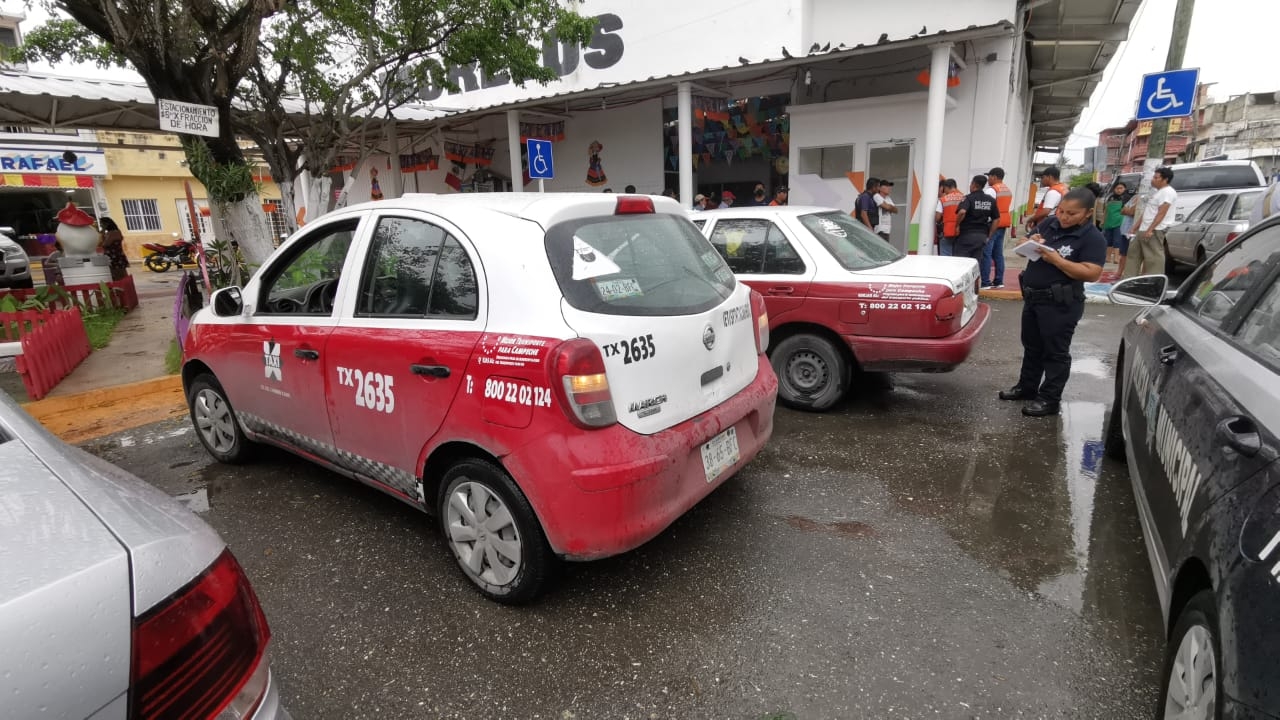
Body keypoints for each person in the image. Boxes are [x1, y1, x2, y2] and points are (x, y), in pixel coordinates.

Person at [999, 187, 1106, 417]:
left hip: (1060, 303)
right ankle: (1027, 387)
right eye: (1062, 211)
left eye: (1072, 214)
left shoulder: (1092, 238)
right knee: (1032, 347)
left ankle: (1049, 399)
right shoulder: (1049, 223)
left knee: (1055, 352)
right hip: (1033, 299)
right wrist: (1030, 241)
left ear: (1087, 213)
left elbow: (1091, 273)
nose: (1065, 217)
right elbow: (1021, 251)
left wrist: (1057, 260)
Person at [1124, 166, 1176, 278]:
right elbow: (1147, 212)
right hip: (1143, 229)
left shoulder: (1167, 192)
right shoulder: (1157, 193)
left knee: (1153, 258)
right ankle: (1128, 280)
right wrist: (1135, 227)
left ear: (1165, 179)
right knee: (1133, 254)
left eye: (1156, 177)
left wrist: (1150, 229)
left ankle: (1154, 282)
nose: (1153, 179)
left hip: (1155, 230)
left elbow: (1161, 213)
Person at [954, 175, 999, 262]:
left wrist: (957, 226)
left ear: (974, 184)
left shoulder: (968, 198)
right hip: (981, 237)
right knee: (975, 263)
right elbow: (996, 219)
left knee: (960, 263)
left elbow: (962, 212)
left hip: (966, 236)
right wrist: (989, 235)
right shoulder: (990, 200)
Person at [984, 167, 1014, 289]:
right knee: (998, 254)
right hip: (1003, 224)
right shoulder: (1007, 190)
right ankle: (999, 281)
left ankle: (985, 282)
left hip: (992, 224)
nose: (988, 179)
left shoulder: (991, 190)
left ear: (995, 177)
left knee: (986, 253)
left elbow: (986, 209)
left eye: (989, 176)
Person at [1024, 166, 1067, 232]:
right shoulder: (1062, 188)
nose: (1042, 180)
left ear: (1050, 177)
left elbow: (1046, 211)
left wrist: (1031, 219)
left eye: (1043, 177)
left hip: (1047, 225)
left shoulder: (1053, 192)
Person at [1101, 181, 1130, 266]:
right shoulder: (1110, 197)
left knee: (1117, 240)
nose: (1119, 190)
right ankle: (1108, 257)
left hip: (1120, 222)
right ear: (1114, 189)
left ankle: (1116, 257)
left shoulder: (1126, 198)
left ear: (1124, 189)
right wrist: (1103, 220)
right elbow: (1106, 210)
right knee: (1108, 240)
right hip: (1109, 222)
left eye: (1121, 188)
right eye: (1117, 188)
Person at [935, 179, 964, 256]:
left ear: (947, 187)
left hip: (947, 231)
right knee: (958, 257)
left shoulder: (943, 200)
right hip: (961, 232)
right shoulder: (964, 198)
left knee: (945, 258)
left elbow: (937, 217)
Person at [99, 217, 130, 281]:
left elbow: (104, 244)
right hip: (117, 256)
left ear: (107, 224)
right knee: (120, 274)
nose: (100, 225)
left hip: (114, 257)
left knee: (117, 275)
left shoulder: (112, 233)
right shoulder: (115, 232)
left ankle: (121, 288)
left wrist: (103, 232)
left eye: (101, 223)